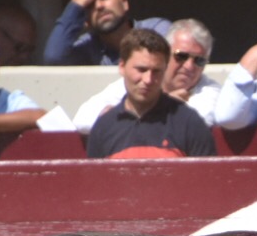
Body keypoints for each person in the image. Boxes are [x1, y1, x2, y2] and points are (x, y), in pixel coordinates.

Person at [73, 18, 222, 132]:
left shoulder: (210, 91)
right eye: (181, 56)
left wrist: (127, 114)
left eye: (199, 60)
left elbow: (195, 123)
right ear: (165, 54)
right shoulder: (140, 81)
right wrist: (165, 105)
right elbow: (82, 120)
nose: (189, 66)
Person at [85, 28, 215, 159]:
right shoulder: (104, 127)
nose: (148, 80)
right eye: (141, 69)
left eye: (156, 71)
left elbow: (207, 177)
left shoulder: (189, 123)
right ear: (122, 67)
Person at [43, 0, 172, 66]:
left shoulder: (157, 29)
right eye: (89, 5)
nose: (99, 6)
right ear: (85, 20)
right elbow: (53, 57)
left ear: (124, 3)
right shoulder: (88, 48)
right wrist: (77, 3)